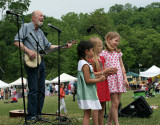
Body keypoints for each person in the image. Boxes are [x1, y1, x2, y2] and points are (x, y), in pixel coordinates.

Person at [14, 10, 72, 120]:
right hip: (30, 61)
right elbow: (17, 41)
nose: (42, 18)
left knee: (41, 89)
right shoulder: (25, 27)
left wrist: (63, 46)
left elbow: (48, 46)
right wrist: (28, 51)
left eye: (43, 16)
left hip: (41, 61)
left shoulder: (40, 32)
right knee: (34, 89)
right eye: (40, 16)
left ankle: (38, 114)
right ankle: (31, 115)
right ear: (33, 18)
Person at [100, 32, 129, 125]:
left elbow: (122, 66)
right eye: (116, 40)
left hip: (119, 78)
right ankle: (116, 123)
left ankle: (109, 122)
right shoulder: (103, 53)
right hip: (111, 79)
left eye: (118, 41)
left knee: (116, 104)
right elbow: (101, 67)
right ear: (108, 39)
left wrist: (125, 78)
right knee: (115, 103)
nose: (117, 43)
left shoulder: (118, 53)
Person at [89, 36, 117, 125]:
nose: (102, 47)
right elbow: (91, 74)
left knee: (102, 107)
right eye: (100, 46)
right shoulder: (90, 60)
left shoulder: (102, 58)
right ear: (94, 47)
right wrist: (104, 71)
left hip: (104, 84)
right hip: (96, 85)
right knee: (96, 107)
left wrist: (109, 72)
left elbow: (102, 73)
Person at [77, 41, 106, 125]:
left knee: (87, 113)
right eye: (92, 50)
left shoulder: (82, 63)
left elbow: (90, 77)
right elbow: (88, 80)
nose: (93, 52)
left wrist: (100, 77)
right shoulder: (85, 64)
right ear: (87, 51)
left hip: (87, 92)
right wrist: (100, 80)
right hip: (87, 93)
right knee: (87, 114)